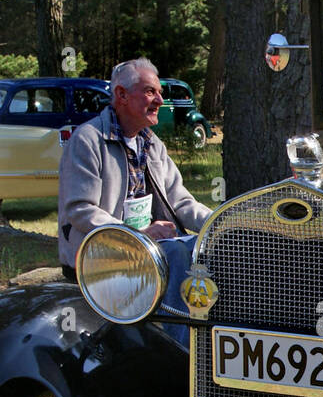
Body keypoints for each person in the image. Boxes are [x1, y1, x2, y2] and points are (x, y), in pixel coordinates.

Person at [58, 58, 211, 277]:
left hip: (145, 248)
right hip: (98, 260)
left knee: (209, 253)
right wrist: (137, 234)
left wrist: (219, 224)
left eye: (160, 92)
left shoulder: (151, 143)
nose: (160, 100)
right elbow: (80, 210)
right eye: (150, 92)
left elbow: (180, 202)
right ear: (122, 95)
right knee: (177, 254)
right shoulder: (88, 140)